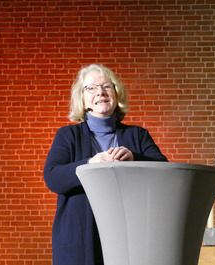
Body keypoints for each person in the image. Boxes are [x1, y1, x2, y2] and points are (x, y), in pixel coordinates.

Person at [43, 64, 168, 265]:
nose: (100, 92)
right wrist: (91, 164)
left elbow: (165, 171)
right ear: (82, 101)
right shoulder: (67, 136)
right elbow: (53, 177)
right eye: (91, 88)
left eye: (107, 87)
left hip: (130, 233)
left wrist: (135, 157)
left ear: (117, 95)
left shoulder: (137, 135)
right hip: (81, 236)